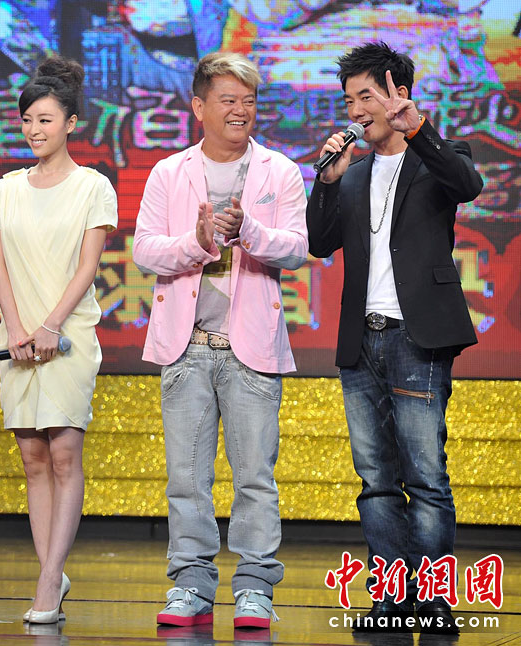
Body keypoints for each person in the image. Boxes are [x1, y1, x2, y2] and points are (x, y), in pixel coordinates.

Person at [306, 42, 483, 635]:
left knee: (426, 478)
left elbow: (468, 184)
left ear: (397, 94)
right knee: (376, 480)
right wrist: (326, 182)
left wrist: (419, 129)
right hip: (361, 340)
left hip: (417, 338)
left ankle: (431, 603)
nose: (356, 110)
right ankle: (391, 599)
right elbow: (320, 242)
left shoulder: (439, 157)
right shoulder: (354, 174)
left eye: (367, 96)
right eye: (349, 100)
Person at [132, 52, 308, 630]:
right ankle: (190, 584)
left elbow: (296, 248)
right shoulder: (169, 172)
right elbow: (145, 250)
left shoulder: (279, 171)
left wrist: (248, 231)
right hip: (186, 347)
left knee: (255, 476)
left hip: (250, 348)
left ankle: (255, 587)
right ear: (198, 107)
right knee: (187, 478)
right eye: (228, 100)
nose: (240, 111)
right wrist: (199, 241)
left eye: (248, 101)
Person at [0, 56, 117, 625]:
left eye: (45, 120)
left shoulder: (93, 186)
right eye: (27, 121)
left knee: (64, 452)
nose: (34, 129)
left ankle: (48, 578)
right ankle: (51, 571)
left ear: (71, 123)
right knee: (32, 456)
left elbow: (88, 267)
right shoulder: (7, 187)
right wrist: (18, 328)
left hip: (68, 336)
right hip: (17, 336)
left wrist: (49, 327)